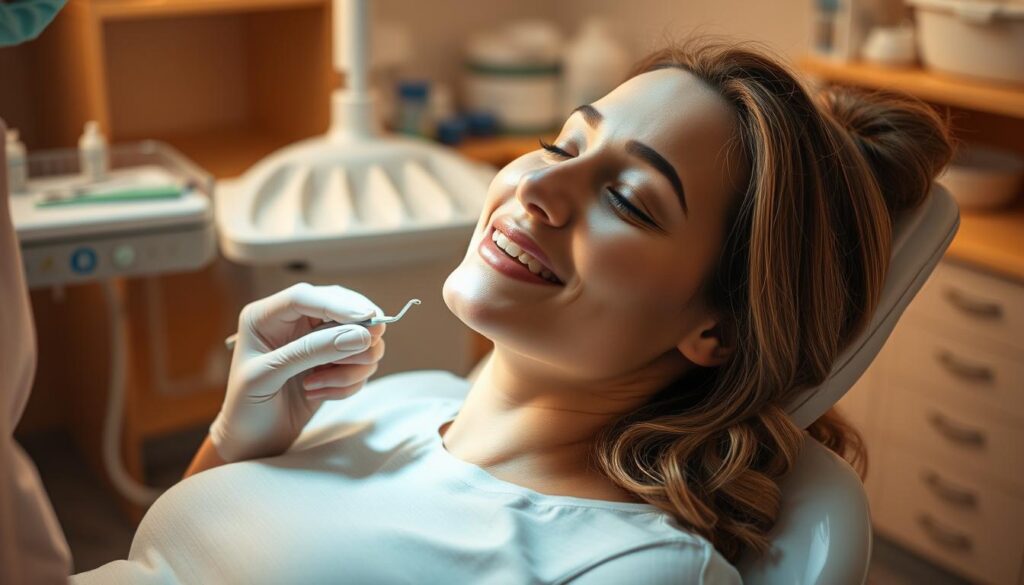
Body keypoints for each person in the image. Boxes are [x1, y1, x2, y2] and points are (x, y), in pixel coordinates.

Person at [15, 40, 952, 584]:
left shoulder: (629, 569)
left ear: (717, 329)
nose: (541, 185)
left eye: (628, 199)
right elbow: (170, 553)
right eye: (562, 140)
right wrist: (235, 435)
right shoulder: (396, 398)